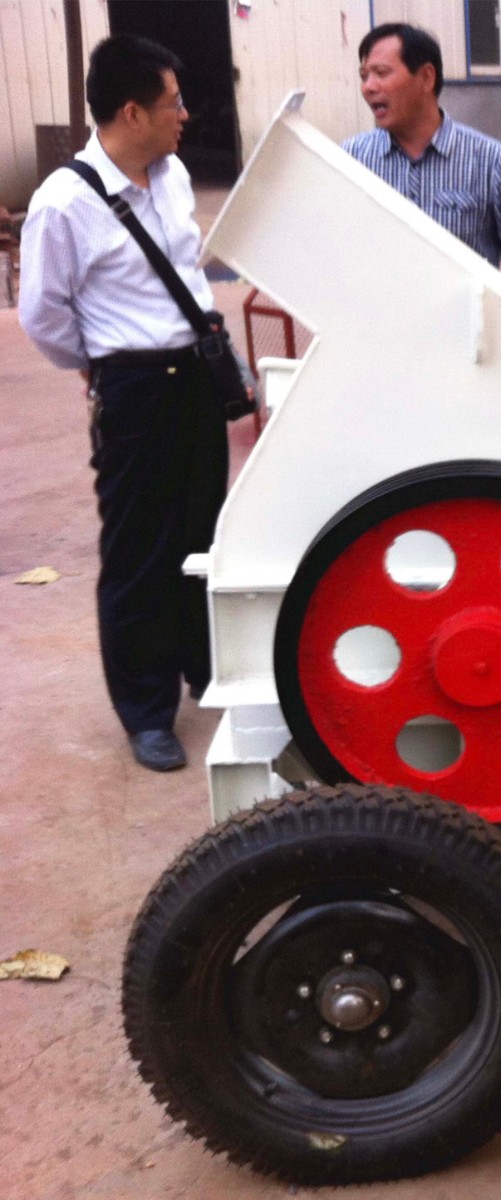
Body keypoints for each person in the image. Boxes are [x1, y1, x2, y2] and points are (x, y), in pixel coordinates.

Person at [19, 35, 229, 772]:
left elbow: (185, 272)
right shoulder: (64, 203)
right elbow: (42, 314)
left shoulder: (173, 176)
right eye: (174, 103)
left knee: (204, 532)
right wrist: (99, 364)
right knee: (140, 550)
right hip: (135, 391)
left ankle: (207, 669)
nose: (185, 114)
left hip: (195, 376)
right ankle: (146, 711)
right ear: (132, 112)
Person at [344, 23, 501, 294]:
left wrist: (492, 303)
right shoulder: (352, 159)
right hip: (379, 319)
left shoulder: (488, 160)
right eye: (364, 76)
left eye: (381, 73)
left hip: (465, 321)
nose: (368, 87)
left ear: (426, 77)